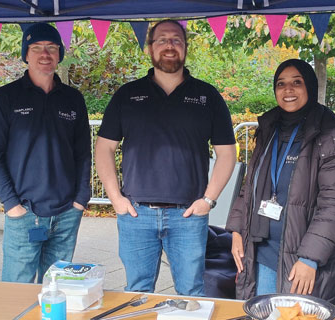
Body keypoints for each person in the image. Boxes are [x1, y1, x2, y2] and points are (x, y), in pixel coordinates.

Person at [95, 19, 236, 296]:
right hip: (136, 214)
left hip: (188, 216)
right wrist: (115, 199)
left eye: (176, 40)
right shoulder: (128, 95)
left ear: (185, 48)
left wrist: (208, 201)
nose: (169, 46)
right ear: (150, 48)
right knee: (137, 294)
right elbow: (104, 148)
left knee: (192, 293)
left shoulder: (207, 96)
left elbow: (227, 153)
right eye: (162, 40)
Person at [225, 59, 335, 306]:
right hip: (262, 254)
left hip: (303, 261)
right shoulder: (269, 128)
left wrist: (310, 258)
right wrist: (236, 230)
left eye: (297, 82)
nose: (288, 90)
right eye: (281, 84)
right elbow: (249, 188)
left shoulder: (331, 136)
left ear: (310, 86)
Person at [0, 23, 91, 283]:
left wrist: (80, 199)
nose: (45, 54)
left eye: (52, 48)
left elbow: (83, 153)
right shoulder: (4, 98)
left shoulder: (73, 99)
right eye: (37, 48)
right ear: (26, 54)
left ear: (59, 54)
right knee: (15, 291)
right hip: (24, 213)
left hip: (66, 213)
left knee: (58, 290)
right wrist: (11, 205)